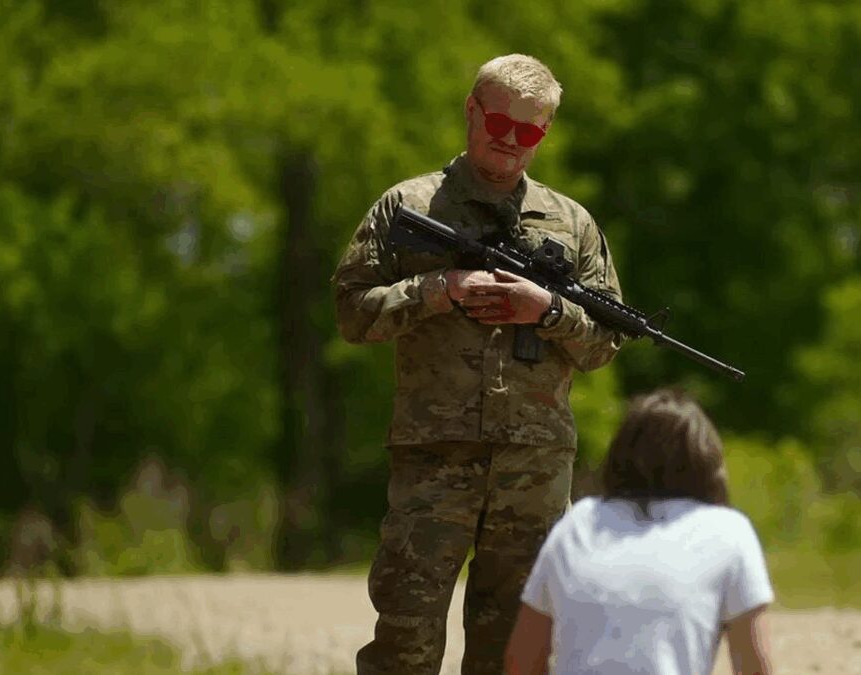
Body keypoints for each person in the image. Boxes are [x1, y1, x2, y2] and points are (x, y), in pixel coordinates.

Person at [332, 53, 626, 675]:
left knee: (517, 648)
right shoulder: (406, 206)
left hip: (534, 467)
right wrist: (438, 290)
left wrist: (545, 310)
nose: (511, 141)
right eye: (499, 123)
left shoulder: (573, 224)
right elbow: (352, 314)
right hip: (435, 457)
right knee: (405, 640)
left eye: (530, 131)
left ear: (545, 132)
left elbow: (605, 342)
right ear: (471, 110)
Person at [503, 388, 776, 675]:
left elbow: (521, 659)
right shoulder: (728, 530)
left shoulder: (579, 523)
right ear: (708, 462)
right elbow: (754, 667)